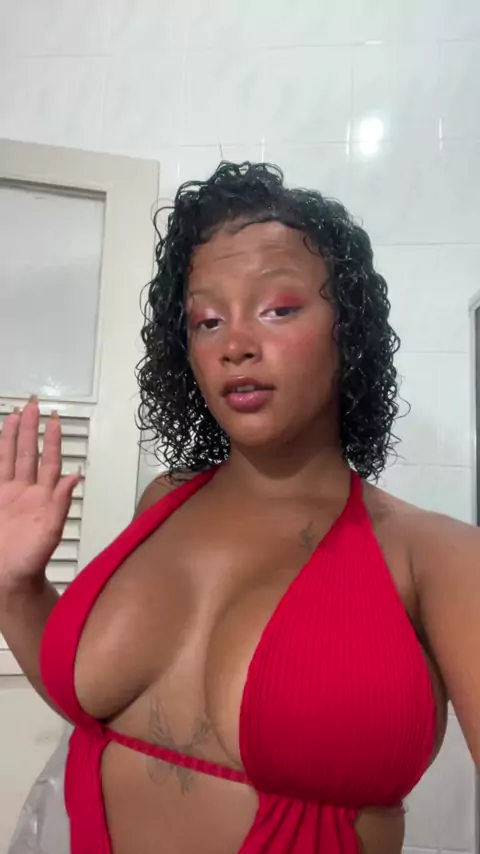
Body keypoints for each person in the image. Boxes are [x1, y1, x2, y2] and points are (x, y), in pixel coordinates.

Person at [0, 161, 478, 854]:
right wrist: (16, 587)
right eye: (208, 320)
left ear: (350, 331)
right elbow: (107, 714)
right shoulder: (163, 501)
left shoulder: (439, 557)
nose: (235, 346)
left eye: (278, 308)